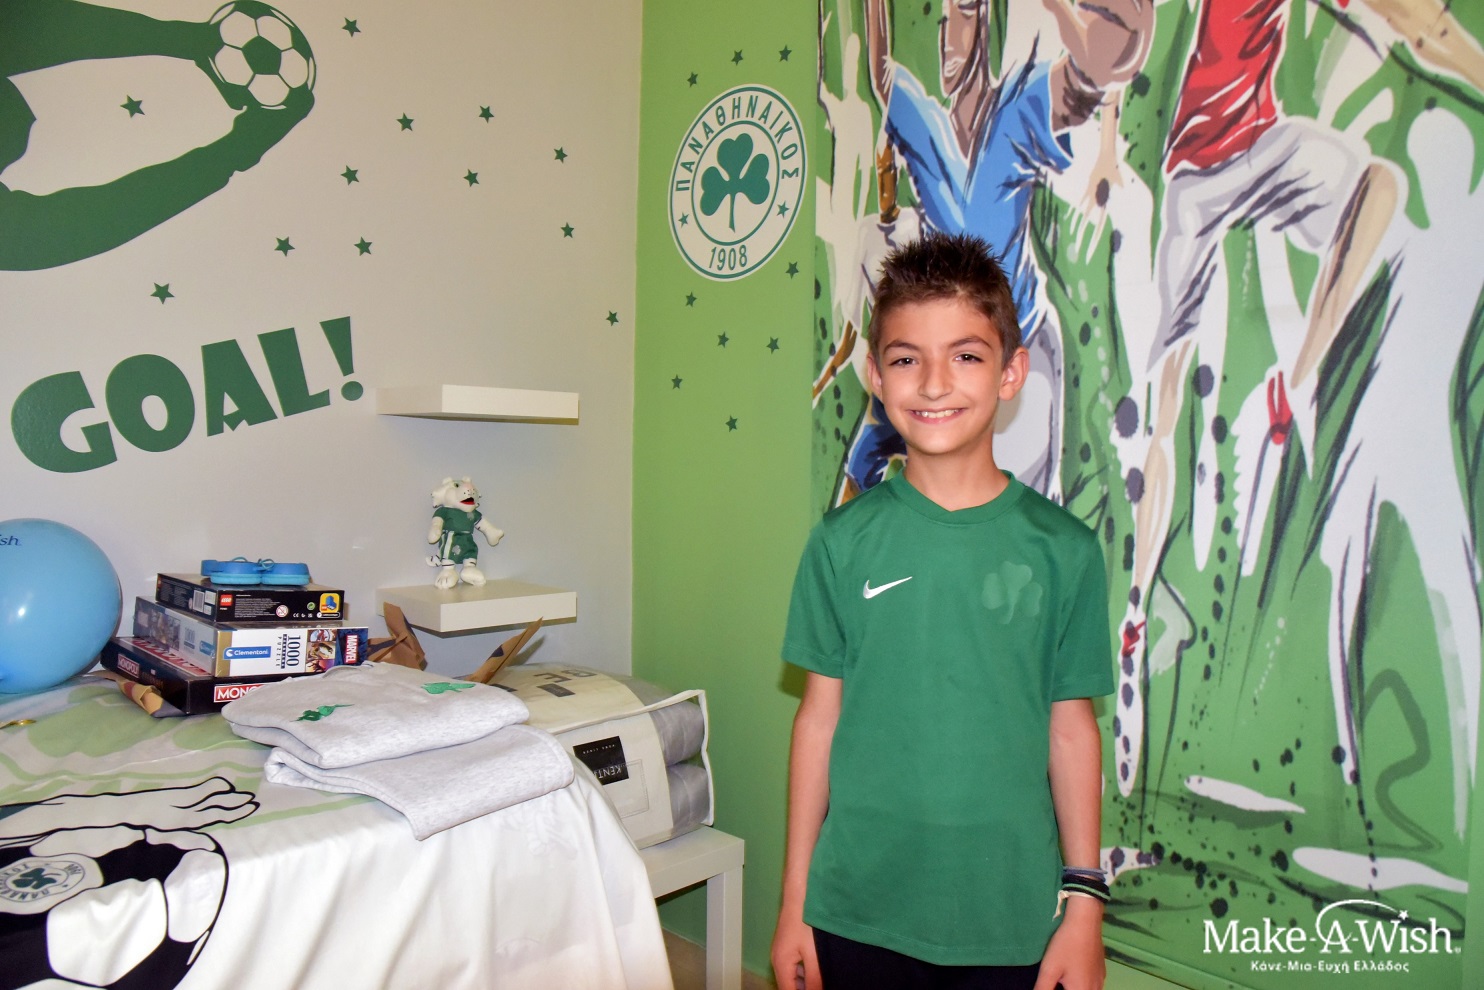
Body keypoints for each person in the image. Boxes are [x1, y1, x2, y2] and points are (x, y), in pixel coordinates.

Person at [773, 232, 1114, 990]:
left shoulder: (1064, 551)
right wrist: (795, 902)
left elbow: (1070, 730)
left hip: (1011, 919)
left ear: (1010, 372)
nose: (933, 383)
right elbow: (818, 723)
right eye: (906, 359)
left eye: (965, 355)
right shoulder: (840, 544)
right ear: (875, 374)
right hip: (856, 911)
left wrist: (1085, 907)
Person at [824, 0, 1152, 504]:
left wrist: (1066, 12)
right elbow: (882, 72)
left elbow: (1093, 73)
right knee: (862, 466)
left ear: (983, 25)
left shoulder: (1020, 109)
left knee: (1008, 522)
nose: (948, 35)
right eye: (944, 21)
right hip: (932, 348)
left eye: (964, 12)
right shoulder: (920, 119)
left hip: (1014, 345)